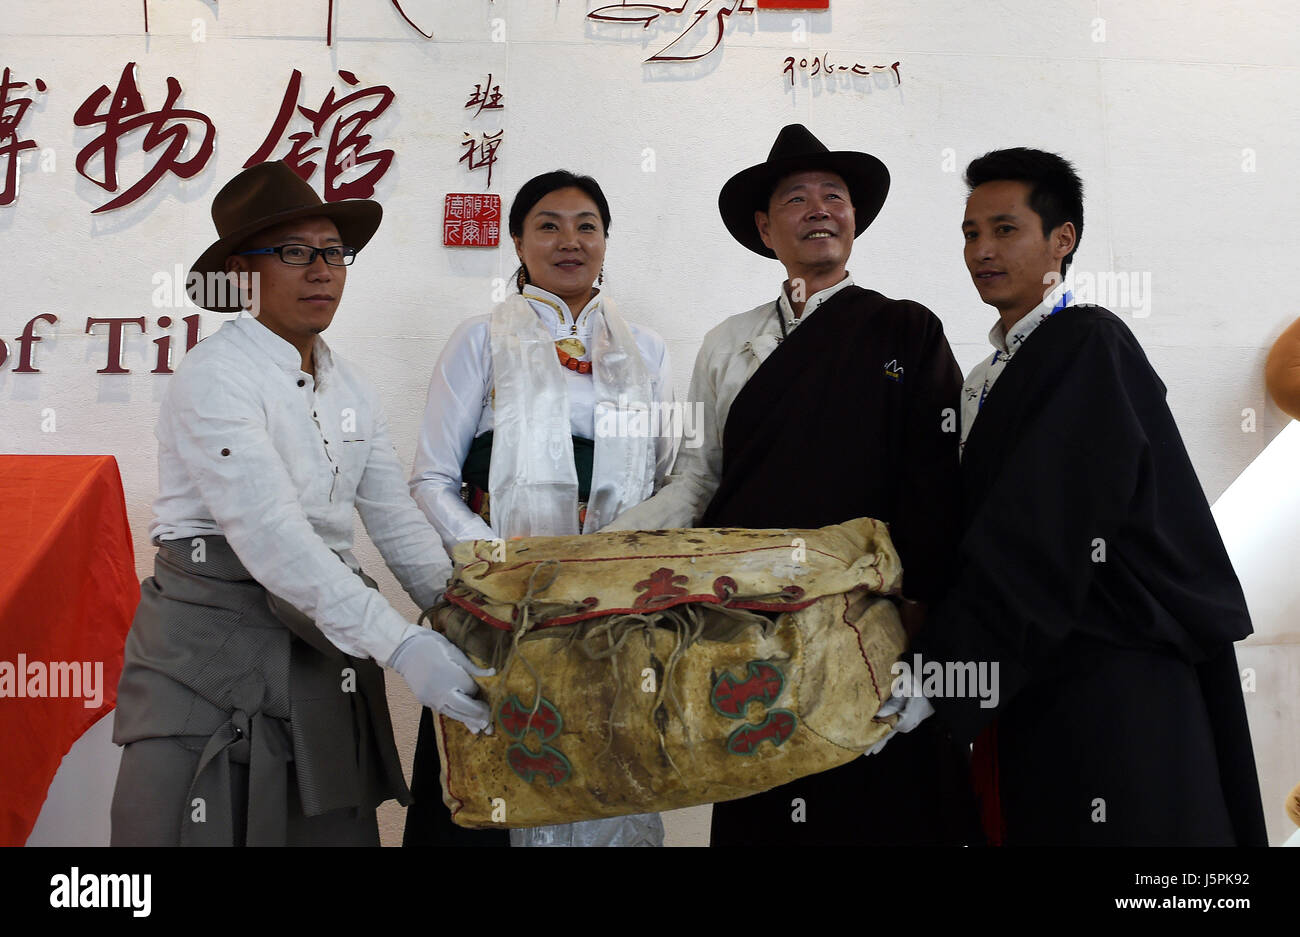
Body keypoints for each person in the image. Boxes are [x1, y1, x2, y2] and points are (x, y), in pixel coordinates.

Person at [604, 125, 980, 846]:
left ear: (854, 218)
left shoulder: (904, 329)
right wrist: (611, 548)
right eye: (797, 198)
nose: (819, 209)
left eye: (833, 196)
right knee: (767, 812)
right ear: (763, 226)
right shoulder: (727, 342)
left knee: (881, 811)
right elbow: (700, 476)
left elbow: (936, 484)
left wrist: (923, 626)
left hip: (865, 627)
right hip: (749, 631)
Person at [110, 161, 492, 846]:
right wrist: (402, 643)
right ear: (240, 270)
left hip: (322, 648)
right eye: (293, 252)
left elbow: (396, 523)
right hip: (207, 652)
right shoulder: (214, 375)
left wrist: (463, 612)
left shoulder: (351, 384)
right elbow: (272, 539)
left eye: (333, 252)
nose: (322, 269)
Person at [902, 146, 1268, 845]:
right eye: (970, 233)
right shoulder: (982, 376)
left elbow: (1040, 527)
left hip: (1115, 675)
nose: (982, 249)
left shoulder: (1090, 343)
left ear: (1061, 240)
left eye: (1005, 229)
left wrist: (942, 674)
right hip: (1030, 672)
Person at [404, 170, 677, 847]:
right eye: (548, 225)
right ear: (517, 241)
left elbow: (674, 479)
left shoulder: (646, 350)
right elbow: (432, 479)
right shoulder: (479, 340)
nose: (569, 240)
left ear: (606, 241)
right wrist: (501, 565)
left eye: (587, 225)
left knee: (609, 762)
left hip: (617, 605)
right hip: (504, 604)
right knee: (502, 770)